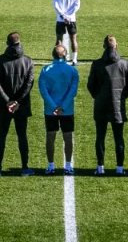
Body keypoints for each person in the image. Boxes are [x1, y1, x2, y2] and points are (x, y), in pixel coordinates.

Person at [88, 35, 128, 176]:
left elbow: (90, 85)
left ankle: (100, 167)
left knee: (100, 137)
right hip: (117, 105)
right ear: (116, 46)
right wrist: (122, 97)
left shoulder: (96, 64)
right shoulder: (125, 64)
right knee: (119, 138)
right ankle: (120, 168)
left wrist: (98, 96)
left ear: (104, 46)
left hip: (101, 105)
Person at [0, 32, 35, 175]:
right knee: (22, 136)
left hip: (4, 106)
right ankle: (24, 167)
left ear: (7, 43)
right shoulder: (28, 61)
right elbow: (29, 84)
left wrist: (7, 101)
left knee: (2, 135)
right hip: (21, 106)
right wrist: (17, 101)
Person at [40, 44, 80, 175]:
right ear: (65, 55)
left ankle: (50, 165)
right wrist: (62, 106)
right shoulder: (72, 71)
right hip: (67, 110)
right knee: (68, 137)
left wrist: (54, 107)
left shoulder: (45, 70)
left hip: (50, 111)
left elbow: (44, 91)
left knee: (50, 136)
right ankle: (68, 165)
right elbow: (73, 91)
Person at [53, 0, 81, 65]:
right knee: (73, 39)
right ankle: (74, 59)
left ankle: (58, 59)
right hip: (71, 19)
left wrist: (63, 15)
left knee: (59, 39)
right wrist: (68, 15)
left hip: (60, 19)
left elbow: (56, 6)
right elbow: (77, 5)